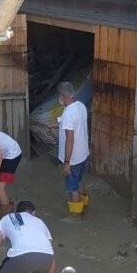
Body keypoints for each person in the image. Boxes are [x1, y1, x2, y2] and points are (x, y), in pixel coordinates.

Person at [56, 81, 90, 215]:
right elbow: (77, 124)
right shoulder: (80, 105)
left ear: (63, 96)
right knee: (80, 180)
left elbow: (70, 139)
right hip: (83, 154)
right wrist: (60, 123)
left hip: (73, 159)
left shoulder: (67, 114)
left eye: (59, 97)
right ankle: (84, 204)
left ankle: (75, 216)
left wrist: (67, 162)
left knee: (72, 188)